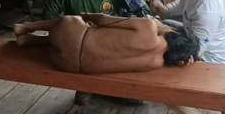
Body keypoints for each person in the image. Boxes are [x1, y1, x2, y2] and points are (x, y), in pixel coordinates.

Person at [13, 14, 200, 74]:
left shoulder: (148, 26)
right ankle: (30, 41)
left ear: (174, 33)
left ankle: (25, 27)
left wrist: (85, 16)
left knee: (74, 22)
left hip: (66, 35)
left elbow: (102, 19)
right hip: (68, 64)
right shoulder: (156, 63)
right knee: (81, 40)